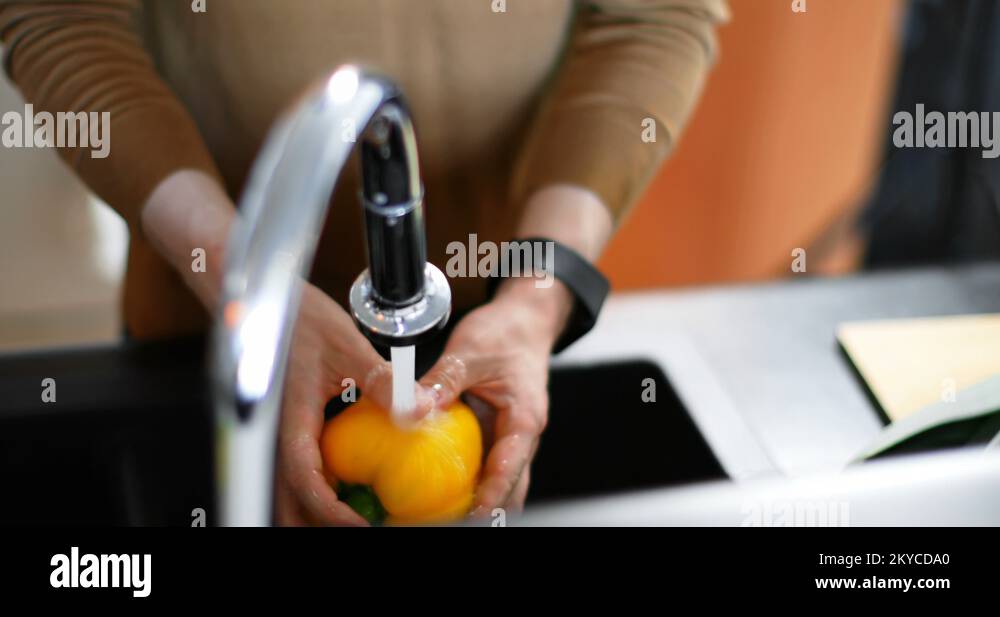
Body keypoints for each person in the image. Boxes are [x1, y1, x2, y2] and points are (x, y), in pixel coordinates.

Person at [0, 0, 729, 525]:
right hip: (210, 316)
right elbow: (60, 15)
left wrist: (537, 295)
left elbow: (656, 13)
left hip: (489, 307)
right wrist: (245, 284)